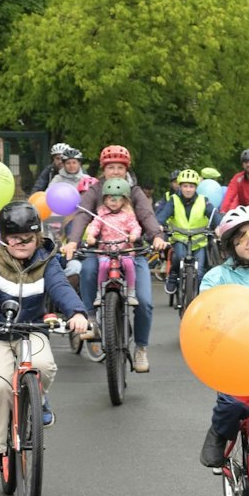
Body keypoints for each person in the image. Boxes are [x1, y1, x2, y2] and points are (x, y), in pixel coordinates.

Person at [0, 202, 90, 474]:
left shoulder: (47, 261)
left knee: (43, 367)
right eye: (14, 238)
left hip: (31, 330)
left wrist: (77, 312)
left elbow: (60, 286)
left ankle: (38, 398)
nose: (21, 243)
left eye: (27, 238)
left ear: (37, 237)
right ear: (4, 238)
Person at [60, 145, 166, 372]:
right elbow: (82, 215)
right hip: (100, 251)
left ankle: (141, 349)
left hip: (131, 252)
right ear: (103, 169)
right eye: (111, 168)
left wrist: (156, 236)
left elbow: (147, 216)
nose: (116, 172)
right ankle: (91, 319)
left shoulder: (135, 191)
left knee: (145, 302)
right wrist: (72, 240)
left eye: (120, 167)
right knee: (87, 271)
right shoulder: (95, 190)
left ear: (126, 169)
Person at [197, 206, 249, 468]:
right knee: (232, 403)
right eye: (241, 236)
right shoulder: (215, 277)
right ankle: (219, 432)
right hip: (233, 357)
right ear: (230, 243)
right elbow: (205, 317)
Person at [164, 169, 214, 291]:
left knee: (200, 271)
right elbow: (163, 215)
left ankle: (198, 298)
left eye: (191, 186)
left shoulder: (203, 200)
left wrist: (218, 227)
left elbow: (213, 214)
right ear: (180, 186)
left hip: (199, 241)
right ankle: (173, 275)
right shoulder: (174, 200)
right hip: (180, 239)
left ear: (196, 187)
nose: (188, 189)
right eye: (185, 186)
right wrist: (159, 225)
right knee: (178, 257)